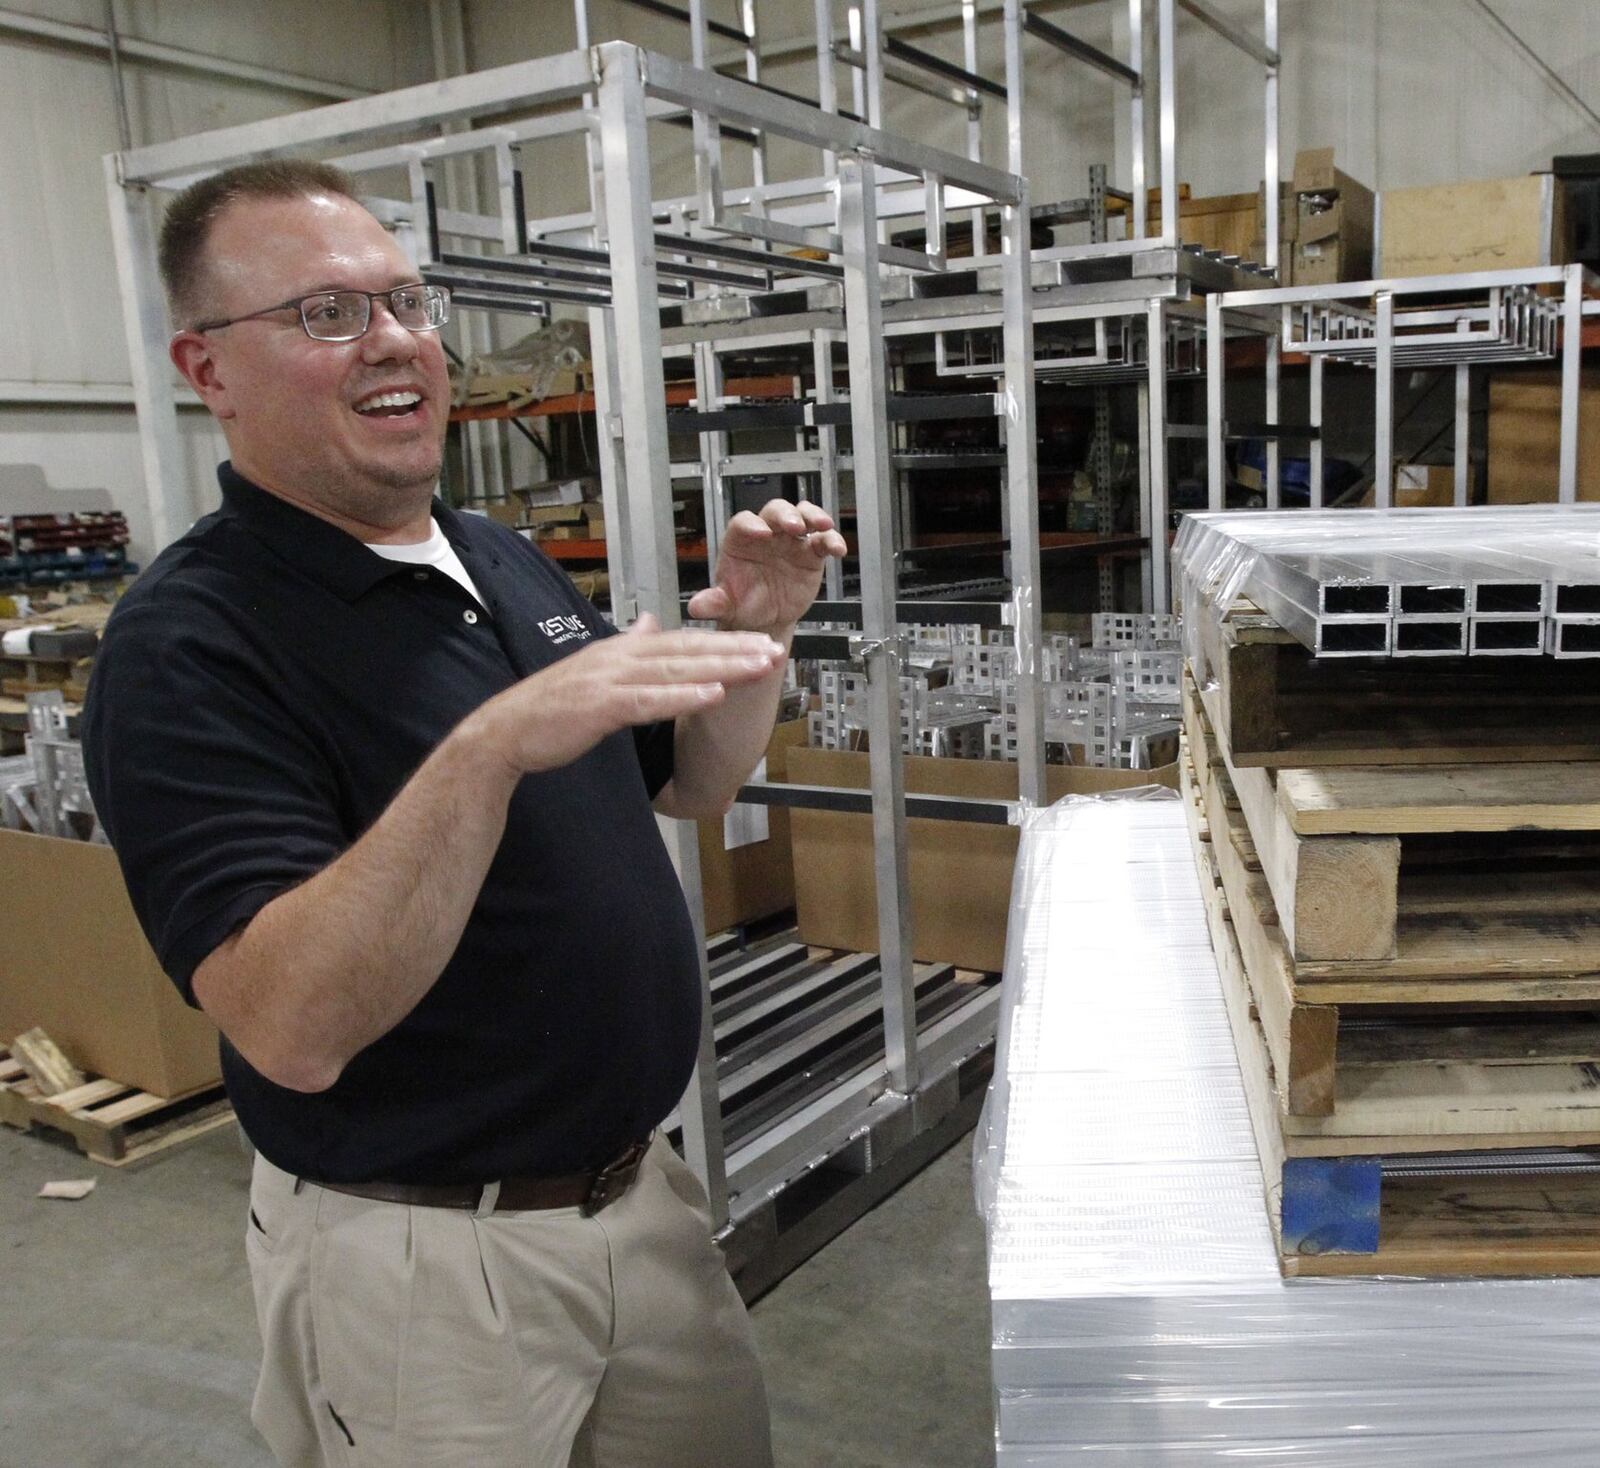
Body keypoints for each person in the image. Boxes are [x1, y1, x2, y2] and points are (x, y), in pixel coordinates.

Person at [82, 158, 846, 1468]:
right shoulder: (188, 648)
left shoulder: (495, 555)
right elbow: (292, 1026)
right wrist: (485, 749)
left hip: (638, 1203)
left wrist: (762, 634)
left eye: (406, 303)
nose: (394, 344)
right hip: (424, 1269)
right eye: (327, 315)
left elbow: (690, 783)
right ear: (206, 370)